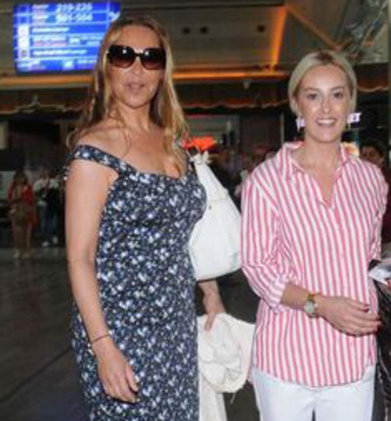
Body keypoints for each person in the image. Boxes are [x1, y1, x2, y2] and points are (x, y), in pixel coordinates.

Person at [241, 50, 391, 421]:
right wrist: (320, 305)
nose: (326, 108)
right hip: (286, 357)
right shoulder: (267, 181)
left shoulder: (370, 179)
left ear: (350, 102)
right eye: (313, 95)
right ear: (296, 104)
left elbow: (367, 256)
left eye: (337, 95)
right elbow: (258, 268)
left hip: (352, 356)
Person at [65, 15, 222, 420]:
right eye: (124, 56)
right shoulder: (94, 150)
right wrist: (103, 346)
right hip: (119, 327)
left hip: (176, 323)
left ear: (163, 71)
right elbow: (80, 258)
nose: (137, 69)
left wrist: (210, 291)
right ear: (107, 66)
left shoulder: (173, 143)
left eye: (151, 58)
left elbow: (184, 232)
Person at [8, 169, 36, 259]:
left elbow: (32, 200)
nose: (20, 179)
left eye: (21, 177)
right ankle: (18, 250)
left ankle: (27, 251)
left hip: (27, 212)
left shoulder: (28, 188)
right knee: (17, 233)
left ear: (24, 178)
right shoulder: (13, 188)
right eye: (18, 177)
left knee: (27, 234)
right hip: (16, 212)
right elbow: (10, 200)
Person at [33, 167, 62, 246]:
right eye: (43, 171)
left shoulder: (53, 182)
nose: (45, 173)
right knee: (44, 223)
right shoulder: (37, 183)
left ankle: (54, 236)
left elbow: (58, 193)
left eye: (46, 171)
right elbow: (35, 195)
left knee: (54, 221)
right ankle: (45, 239)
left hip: (52, 205)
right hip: (42, 205)